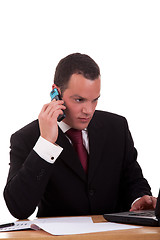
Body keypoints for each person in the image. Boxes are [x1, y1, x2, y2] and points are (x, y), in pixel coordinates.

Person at [4, 53, 156, 220]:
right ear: (56, 92)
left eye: (94, 100)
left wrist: (139, 198)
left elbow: (133, 179)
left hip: (113, 234)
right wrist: (46, 143)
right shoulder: (27, 138)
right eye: (79, 100)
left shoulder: (116, 127)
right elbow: (18, 208)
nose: (88, 110)